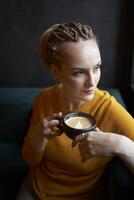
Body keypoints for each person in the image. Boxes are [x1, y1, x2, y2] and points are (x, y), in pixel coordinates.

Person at [16, 21, 134, 200]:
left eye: (97, 68)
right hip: (34, 190)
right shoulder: (44, 99)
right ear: (56, 72)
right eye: (78, 72)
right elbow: (31, 161)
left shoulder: (109, 109)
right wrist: (36, 137)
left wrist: (121, 145)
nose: (92, 82)